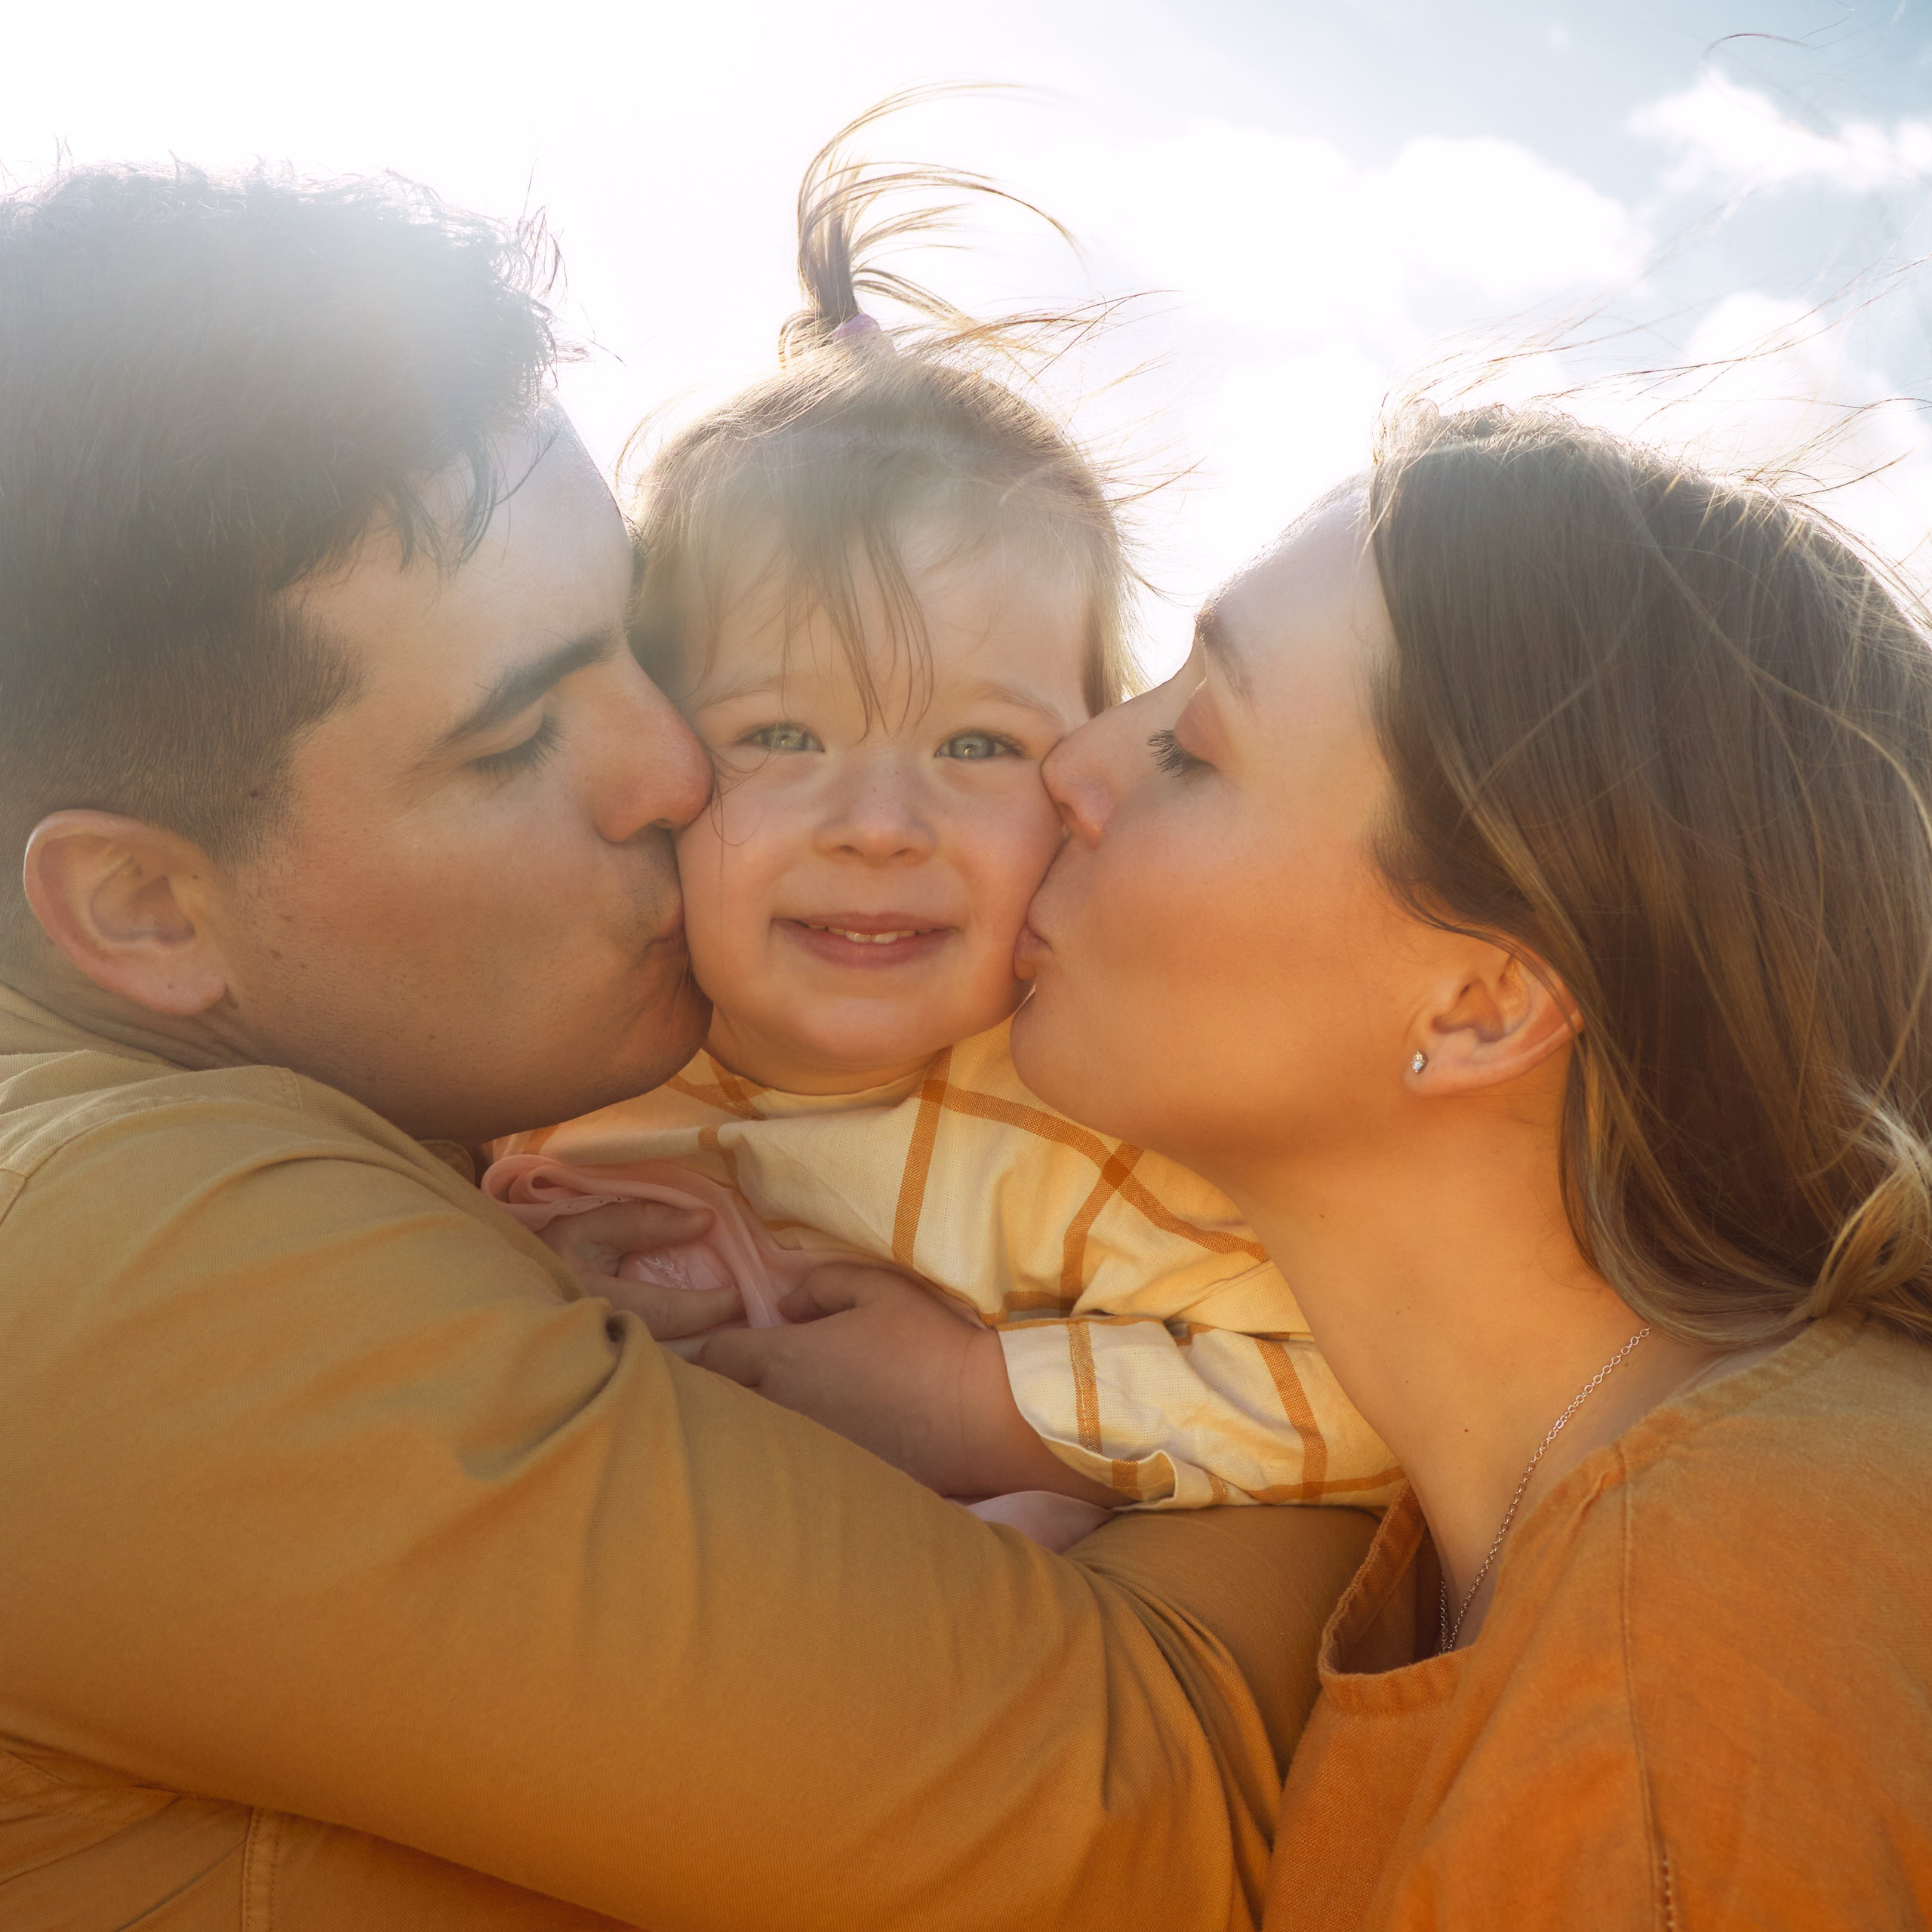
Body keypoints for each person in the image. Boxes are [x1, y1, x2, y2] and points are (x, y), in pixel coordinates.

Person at [0, 163, 1371, 1930]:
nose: (673, 776)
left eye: (633, 651)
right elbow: (1133, 1823)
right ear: (142, 909)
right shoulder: (123, 1247)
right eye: (514, 736)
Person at [986, 405, 1932, 1926]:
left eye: (1193, 745)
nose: (1072, 762)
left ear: (1482, 999)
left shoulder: (1704, 1644)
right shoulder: (1515, 1543)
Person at [485, 131, 1398, 1551]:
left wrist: (988, 1402)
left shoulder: (1081, 1143)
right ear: (657, 751)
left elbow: (1367, 1397)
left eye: (980, 748)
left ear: (1087, 776)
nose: (878, 829)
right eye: (782, 738)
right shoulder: (527, 1051)